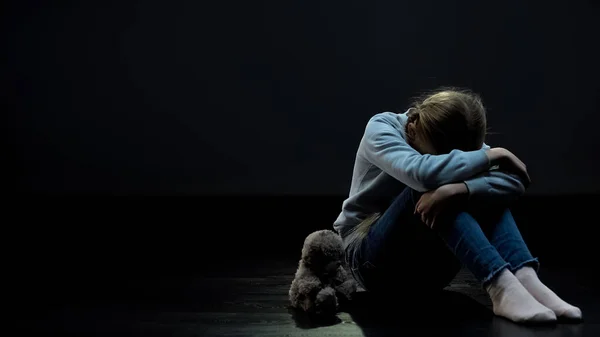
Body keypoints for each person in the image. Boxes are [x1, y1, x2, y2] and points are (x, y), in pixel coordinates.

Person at [333, 88, 582, 324]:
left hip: (430, 270)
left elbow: (516, 182)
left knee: (471, 192)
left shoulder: (456, 140)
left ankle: (525, 277)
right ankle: (500, 287)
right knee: (427, 190)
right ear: (415, 129)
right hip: (370, 262)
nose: (456, 161)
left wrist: (462, 189)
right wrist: (493, 155)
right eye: (446, 158)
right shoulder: (382, 127)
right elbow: (422, 174)